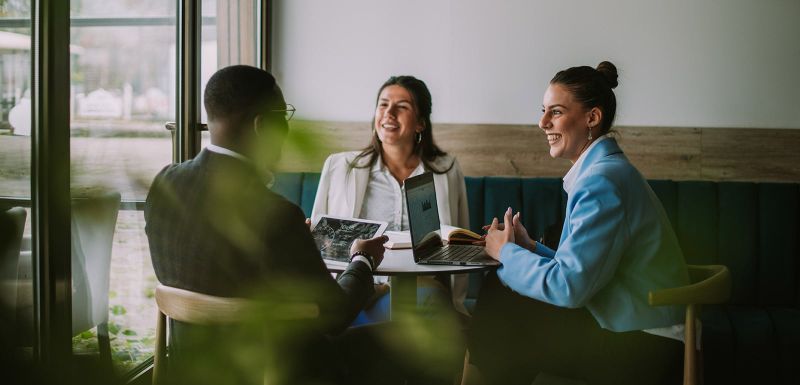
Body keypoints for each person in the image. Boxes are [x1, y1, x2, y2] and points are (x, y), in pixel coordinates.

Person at [145, 65, 398, 385]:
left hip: (191, 369)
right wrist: (361, 258)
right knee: (405, 343)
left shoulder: (163, 185)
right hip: (274, 372)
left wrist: (294, 245)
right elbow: (335, 315)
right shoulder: (277, 216)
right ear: (262, 126)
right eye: (283, 118)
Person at [464, 62, 690, 385]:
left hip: (646, 345)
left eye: (554, 112)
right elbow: (585, 269)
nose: (542, 123)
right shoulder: (603, 171)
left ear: (592, 118)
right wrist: (530, 248)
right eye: (543, 111)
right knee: (503, 303)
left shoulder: (601, 181)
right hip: (631, 328)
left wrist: (506, 254)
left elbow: (570, 288)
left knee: (504, 305)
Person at [311, 75, 471, 318]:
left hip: (423, 289)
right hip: (358, 289)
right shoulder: (339, 167)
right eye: (383, 104)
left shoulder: (447, 169)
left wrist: (458, 305)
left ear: (420, 123)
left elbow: (459, 240)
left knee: (429, 311)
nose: (389, 113)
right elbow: (318, 245)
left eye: (402, 106)